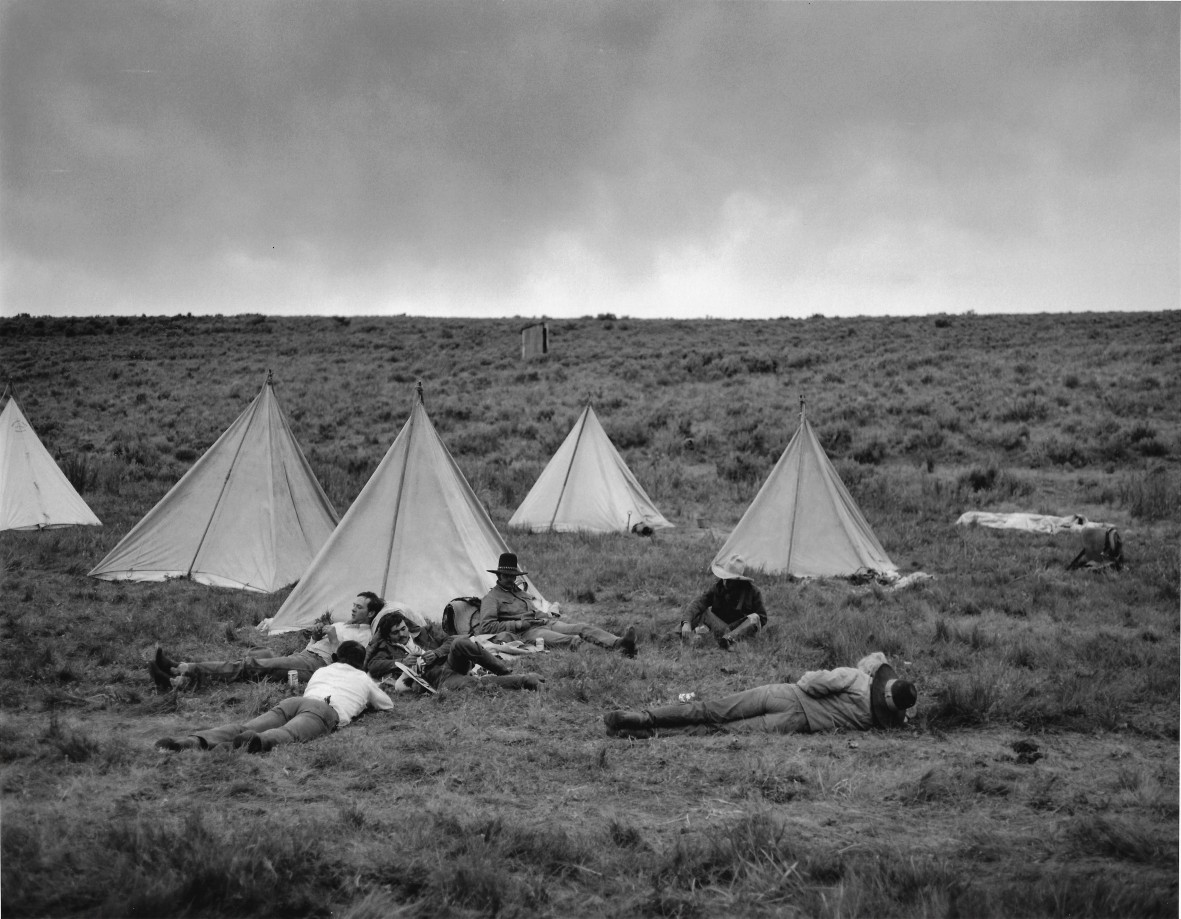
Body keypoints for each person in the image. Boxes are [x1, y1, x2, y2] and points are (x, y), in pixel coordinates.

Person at [155, 641, 393, 754]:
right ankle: (258, 742)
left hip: (294, 702)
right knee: (290, 733)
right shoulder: (363, 678)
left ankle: (191, 741)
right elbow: (386, 704)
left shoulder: (323, 670)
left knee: (244, 725)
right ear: (360, 663)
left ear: (336, 657)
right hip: (324, 710)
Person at [603, 653, 916, 738]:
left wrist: (805, 677)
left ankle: (645, 717)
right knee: (716, 730)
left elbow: (813, 683)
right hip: (794, 725)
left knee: (710, 709)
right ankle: (646, 733)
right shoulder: (871, 720)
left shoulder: (858, 678)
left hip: (785, 695)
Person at [150, 591, 385, 691]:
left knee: (253, 666)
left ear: (371, 614)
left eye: (359, 607)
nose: (353, 609)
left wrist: (333, 640)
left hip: (318, 665)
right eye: (353, 605)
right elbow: (310, 647)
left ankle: (184, 670)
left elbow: (346, 668)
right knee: (254, 664)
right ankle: (179, 678)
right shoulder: (343, 624)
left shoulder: (364, 636)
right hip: (307, 656)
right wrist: (315, 636)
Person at [471, 552, 638, 657]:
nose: (510, 579)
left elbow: (534, 611)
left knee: (582, 628)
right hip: (526, 632)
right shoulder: (491, 598)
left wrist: (546, 616)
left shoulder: (520, 592)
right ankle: (613, 654)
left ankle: (619, 643)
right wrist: (518, 624)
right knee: (570, 640)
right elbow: (486, 627)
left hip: (544, 623)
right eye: (506, 575)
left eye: (513, 575)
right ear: (499, 575)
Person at [365, 607, 542, 693]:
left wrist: (436, 653)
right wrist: (401, 662)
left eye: (403, 628)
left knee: (460, 643)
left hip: (450, 661)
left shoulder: (424, 633)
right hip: (438, 677)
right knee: (472, 686)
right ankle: (524, 681)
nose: (403, 634)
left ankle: (503, 672)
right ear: (388, 637)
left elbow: (450, 640)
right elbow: (373, 666)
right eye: (396, 633)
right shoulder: (386, 647)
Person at [680, 555, 767, 650]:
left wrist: (745, 627)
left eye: (729, 579)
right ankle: (677, 635)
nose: (725, 582)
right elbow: (699, 602)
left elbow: (762, 618)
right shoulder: (718, 587)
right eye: (724, 577)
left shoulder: (753, 591)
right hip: (719, 627)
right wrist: (686, 622)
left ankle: (728, 640)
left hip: (739, 630)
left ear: (738, 580)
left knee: (755, 618)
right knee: (701, 611)